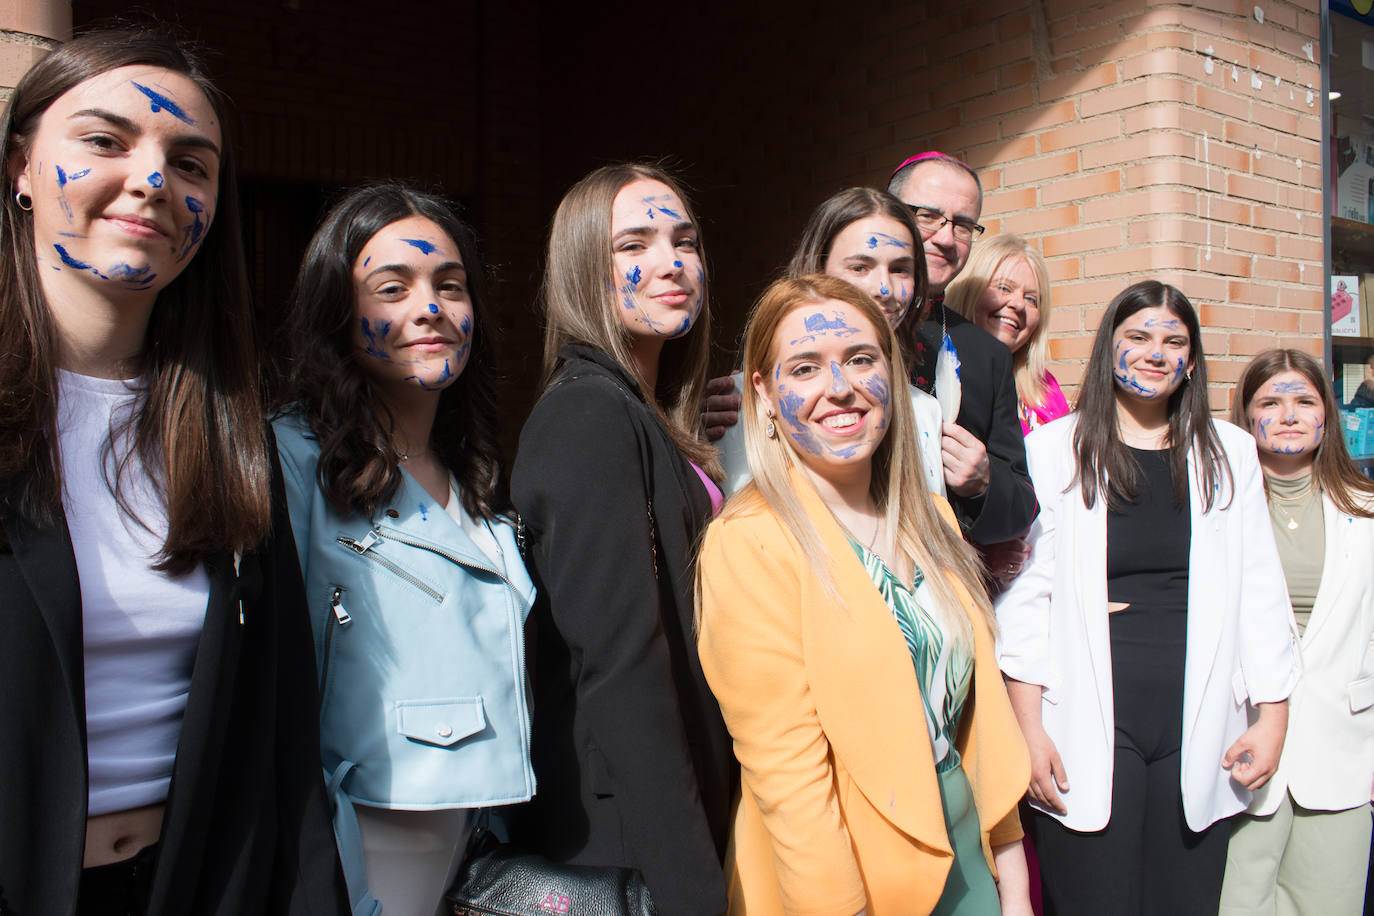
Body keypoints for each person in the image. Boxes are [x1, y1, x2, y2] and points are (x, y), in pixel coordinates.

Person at [0, 27, 347, 915]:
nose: (154, 180)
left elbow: (279, 738)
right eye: (106, 141)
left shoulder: (228, 430)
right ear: (21, 170)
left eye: (191, 164)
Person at [697, 273, 1031, 915]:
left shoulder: (932, 518)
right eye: (804, 367)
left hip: (968, 857)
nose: (840, 387)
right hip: (844, 878)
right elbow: (789, 778)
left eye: (859, 359)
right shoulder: (749, 544)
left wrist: (1011, 879)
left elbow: (977, 720)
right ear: (763, 394)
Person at [995, 280, 1300, 915]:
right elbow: (1027, 597)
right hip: (1082, 712)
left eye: (1174, 341)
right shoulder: (1056, 449)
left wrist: (1272, 718)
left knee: (1183, 902)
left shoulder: (1231, 453)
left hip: (1200, 717)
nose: (1155, 353)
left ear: (1192, 360)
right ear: (1110, 346)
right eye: (1138, 336)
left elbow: (1261, 592)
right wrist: (1028, 730)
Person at [273, 184, 535, 916]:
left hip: (482, 839)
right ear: (337, 314)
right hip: (364, 838)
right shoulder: (292, 461)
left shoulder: (476, 471)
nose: (430, 307)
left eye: (450, 286)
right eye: (394, 288)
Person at [508, 163, 732, 916]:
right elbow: (621, 668)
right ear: (582, 269)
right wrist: (688, 883)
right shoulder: (588, 415)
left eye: (685, 241)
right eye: (634, 243)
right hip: (630, 830)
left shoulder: (647, 411)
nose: (670, 261)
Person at [1218, 348, 1374, 916]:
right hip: (1239, 753)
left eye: (1304, 401)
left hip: (1344, 754)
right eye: (1271, 402)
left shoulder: (1368, 510)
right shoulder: (1217, 506)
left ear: (1325, 416)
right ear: (1246, 416)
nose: (1288, 414)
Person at [717, 187, 943, 497]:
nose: (884, 288)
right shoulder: (736, 406)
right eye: (859, 267)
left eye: (900, 269)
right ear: (816, 268)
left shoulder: (926, 411)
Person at [887, 153, 1037, 558]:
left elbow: (1023, 504)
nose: (946, 237)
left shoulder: (985, 353)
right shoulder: (816, 320)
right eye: (928, 216)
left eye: (963, 225)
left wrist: (984, 481)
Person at [943, 234, 1068, 435]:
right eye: (1003, 288)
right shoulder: (933, 373)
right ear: (968, 292)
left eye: (1031, 299)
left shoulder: (1045, 389)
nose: (1018, 304)